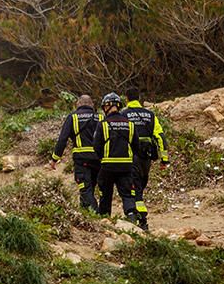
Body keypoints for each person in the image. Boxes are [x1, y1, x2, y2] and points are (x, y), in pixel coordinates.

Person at [91, 92, 144, 229]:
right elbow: (136, 146)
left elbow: (96, 146)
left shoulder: (103, 125)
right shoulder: (130, 124)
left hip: (108, 166)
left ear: (106, 107)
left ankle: (105, 221)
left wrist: (103, 158)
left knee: (105, 194)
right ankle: (132, 218)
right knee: (127, 194)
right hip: (126, 166)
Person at [121, 88, 169, 228]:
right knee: (140, 186)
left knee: (135, 188)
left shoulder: (124, 114)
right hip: (146, 158)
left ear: (127, 99)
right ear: (139, 98)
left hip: (131, 156)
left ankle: (141, 219)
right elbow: (160, 137)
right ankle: (139, 217)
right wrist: (164, 159)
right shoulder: (150, 115)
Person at [49, 94, 102, 210]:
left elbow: (63, 139)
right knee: (91, 186)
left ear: (78, 104)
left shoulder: (73, 117)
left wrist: (54, 159)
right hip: (98, 159)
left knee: (85, 187)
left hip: (82, 159)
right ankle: (85, 212)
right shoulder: (100, 117)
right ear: (92, 104)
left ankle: (95, 213)